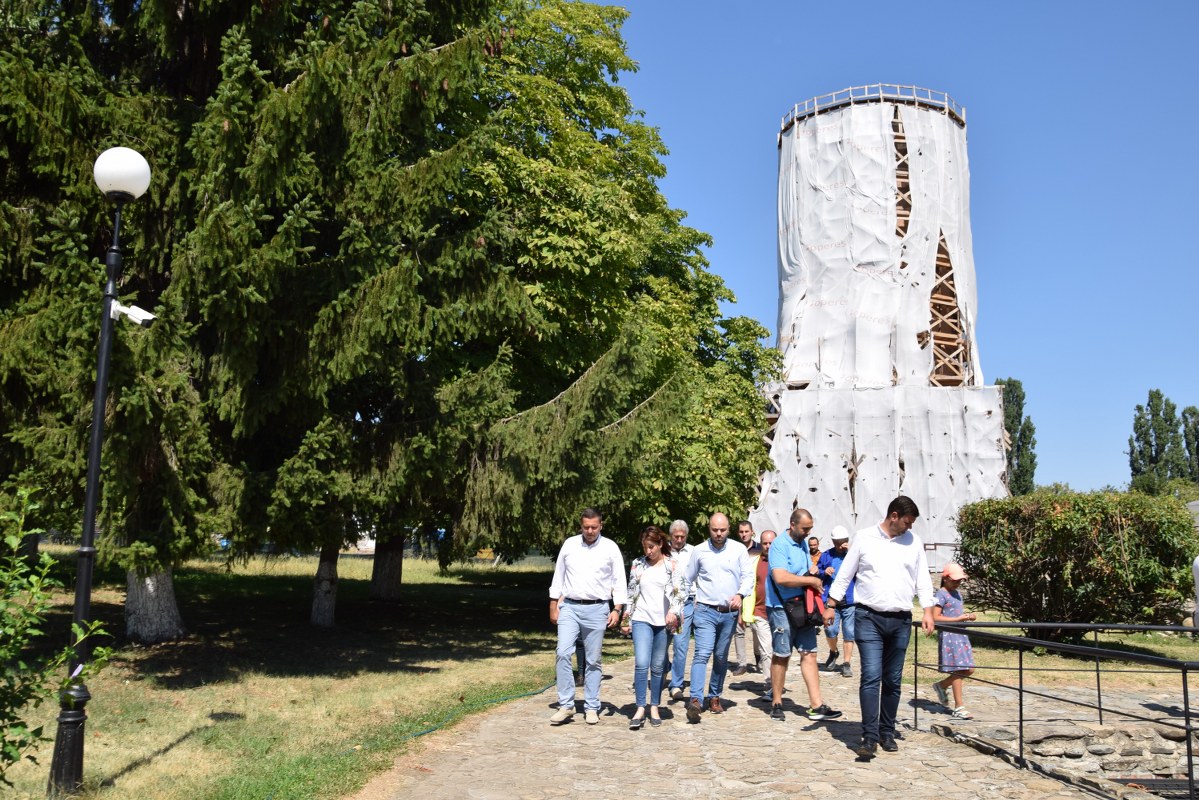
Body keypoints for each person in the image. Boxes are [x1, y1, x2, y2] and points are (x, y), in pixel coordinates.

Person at [825, 496, 935, 758]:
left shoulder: (914, 542)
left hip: (900, 620)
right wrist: (831, 603)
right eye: (907, 522)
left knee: (893, 680)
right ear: (894, 516)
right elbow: (845, 573)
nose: (909, 527)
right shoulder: (864, 538)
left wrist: (928, 610)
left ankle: (887, 731)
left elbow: (922, 577)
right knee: (871, 676)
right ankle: (869, 736)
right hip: (869, 618)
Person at [548, 508, 627, 725]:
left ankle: (592, 706)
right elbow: (559, 576)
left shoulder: (610, 547)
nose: (590, 531)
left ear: (601, 525)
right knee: (563, 652)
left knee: (593, 660)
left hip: (597, 608)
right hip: (570, 606)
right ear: (581, 526)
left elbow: (619, 580)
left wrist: (617, 609)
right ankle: (566, 704)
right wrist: (553, 604)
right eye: (586, 527)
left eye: (594, 527)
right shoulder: (570, 544)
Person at [765, 508, 842, 723]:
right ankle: (777, 702)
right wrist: (809, 580)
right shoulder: (779, 545)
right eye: (805, 528)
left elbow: (808, 571)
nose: (808, 533)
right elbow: (780, 577)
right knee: (782, 654)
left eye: (810, 529)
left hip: (803, 607)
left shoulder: (802, 544)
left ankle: (817, 706)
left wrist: (815, 577)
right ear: (792, 524)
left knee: (810, 653)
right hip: (781, 607)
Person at [682, 512, 753, 722]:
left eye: (722, 530)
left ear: (729, 529)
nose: (719, 533)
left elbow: (748, 576)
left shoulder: (738, 550)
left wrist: (740, 594)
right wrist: (686, 602)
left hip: (729, 612)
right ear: (709, 529)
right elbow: (687, 578)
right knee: (702, 653)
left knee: (721, 656)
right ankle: (695, 700)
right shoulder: (699, 551)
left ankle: (714, 696)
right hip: (705, 611)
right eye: (715, 530)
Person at [620, 526, 684, 729]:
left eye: (652, 547)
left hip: (663, 623)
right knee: (641, 663)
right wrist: (626, 618)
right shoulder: (638, 564)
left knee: (657, 666)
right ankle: (640, 707)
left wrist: (673, 611)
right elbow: (631, 592)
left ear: (660, 544)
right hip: (642, 619)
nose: (648, 551)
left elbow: (679, 593)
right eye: (645, 547)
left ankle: (654, 706)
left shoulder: (672, 565)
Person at [931, 562, 976, 720]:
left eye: (960, 580)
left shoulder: (957, 594)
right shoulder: (941, 594)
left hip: (960, 634)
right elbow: (936, 617)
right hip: (950, 636)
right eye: (955, 580)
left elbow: (956, 612)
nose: (958, 583)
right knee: (958, 669)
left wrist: (967, 616)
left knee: (969, 669)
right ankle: (959, 706)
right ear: (946, 578)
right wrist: (957, 619)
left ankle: (942, 685)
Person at [817, 526, 856, 678]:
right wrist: (824, 572)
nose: (840, 546)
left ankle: (846, 663)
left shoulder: (853, 554)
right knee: (830, 630)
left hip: (850, 600)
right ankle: (833, 652)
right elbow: (817, 573)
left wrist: (852, 552)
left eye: (843, 542)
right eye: (837, 543)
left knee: (849, 632)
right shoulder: (826, 556)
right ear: (833, 542)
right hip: (831, 601)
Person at [743, 529, 777, 699]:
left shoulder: (783, 562)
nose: (768, 546)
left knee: (780, 651)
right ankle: (770, 685)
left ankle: (777, 681)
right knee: (766, 651)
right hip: (760, 612)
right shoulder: (754, 562)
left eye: (771, 543)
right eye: (765, 543)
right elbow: (748, 586)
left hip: (779, 613)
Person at [665, 520, 695, 701]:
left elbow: (699, 575)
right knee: (659, 644)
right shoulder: (663, 550)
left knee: (680, 644)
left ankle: (676, 684)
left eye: (682, 537)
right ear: (670, 536)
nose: (679, 539)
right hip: (663, 603)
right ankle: (665, 667)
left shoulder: (693, 552)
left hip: (685, 603)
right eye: (676, 536)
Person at [731, 519, 760, 676]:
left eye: (746, 531)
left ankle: (759, 657)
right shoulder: (734, 549)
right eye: (741, 532)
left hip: (756, 593)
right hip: (738, 593)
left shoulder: (760, 549)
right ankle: (741, 663)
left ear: (752, 532)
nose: (744, 534)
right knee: (739, 629)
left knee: (757, 628)